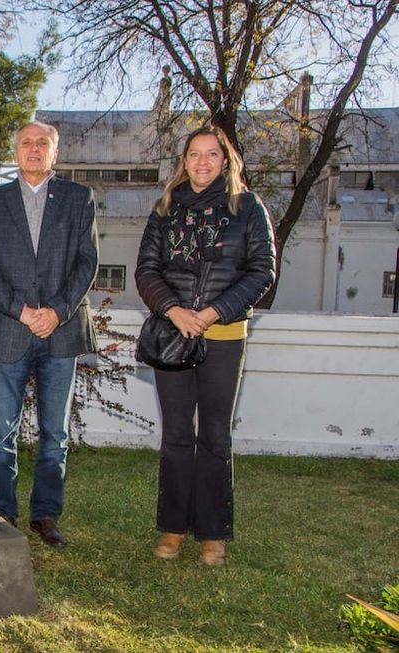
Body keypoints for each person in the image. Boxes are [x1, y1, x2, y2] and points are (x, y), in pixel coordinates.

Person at [135, 124, 276, 566]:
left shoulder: (248, 207)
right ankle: (174, 527)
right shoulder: (165, 208)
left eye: (212, 154)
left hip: (224, 333)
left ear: (225, 160)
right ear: (185, 161)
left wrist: (214, 312)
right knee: (177, 433)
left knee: (215, 434)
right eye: (194, 154)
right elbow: (146, 270)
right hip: (173, 334)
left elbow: (262, 271)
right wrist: (174, 311)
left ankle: (213, 533)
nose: (202, 162)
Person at [0, 121, 99, 548]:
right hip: (8, 328)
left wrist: (57, 311)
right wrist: (22, 311)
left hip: (62, 331)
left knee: (55, 434)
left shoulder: (79, 199)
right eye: (27, 142)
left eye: (43, 143)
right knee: (2, 434)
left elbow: (87, 262)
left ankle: (46, 515)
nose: (35, 149)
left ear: (55, 153)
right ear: (16, 151)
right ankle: (2, 514)